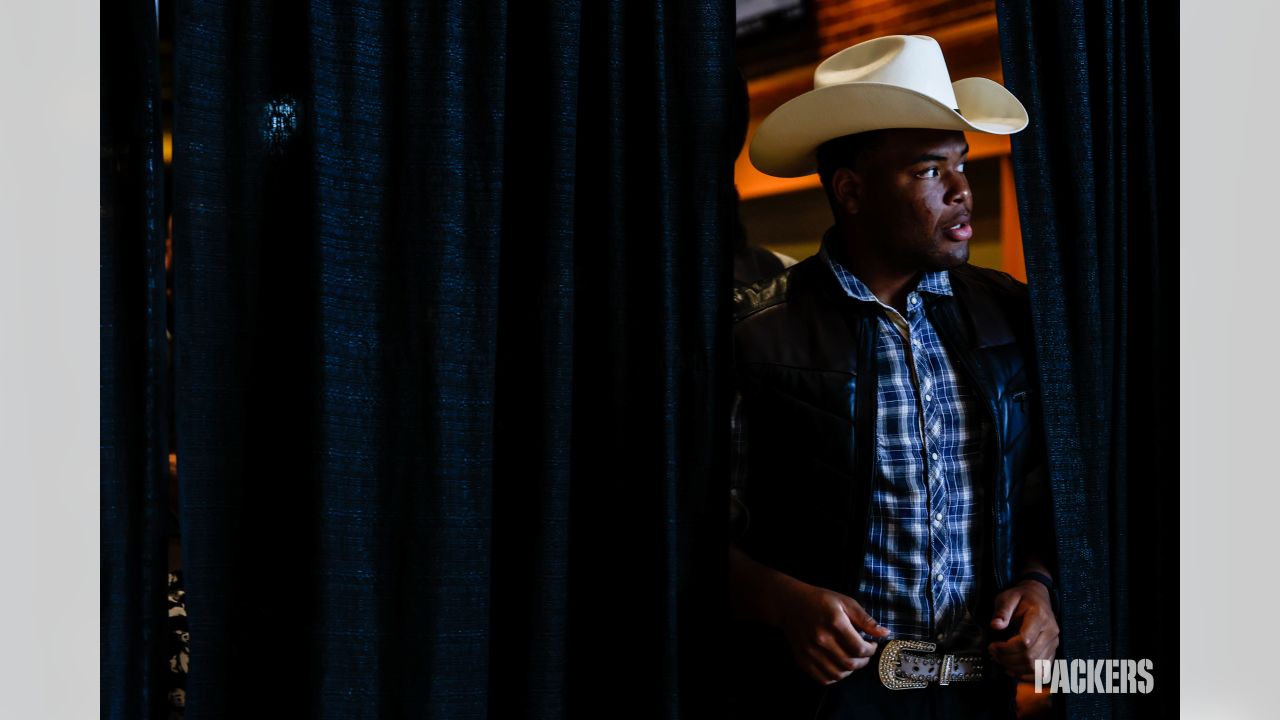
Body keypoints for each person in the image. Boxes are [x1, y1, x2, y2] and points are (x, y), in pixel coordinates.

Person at [728, 35, 1059, 719]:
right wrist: (782, 602)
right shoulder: (756, 334)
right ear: (851, 191)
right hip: (827, 702)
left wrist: (1041, 584)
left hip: (982, 699)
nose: (963, 189)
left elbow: (1051, 487)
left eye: (959, 164)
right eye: (930, 171)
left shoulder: (1014, 316)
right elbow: (679, 530)